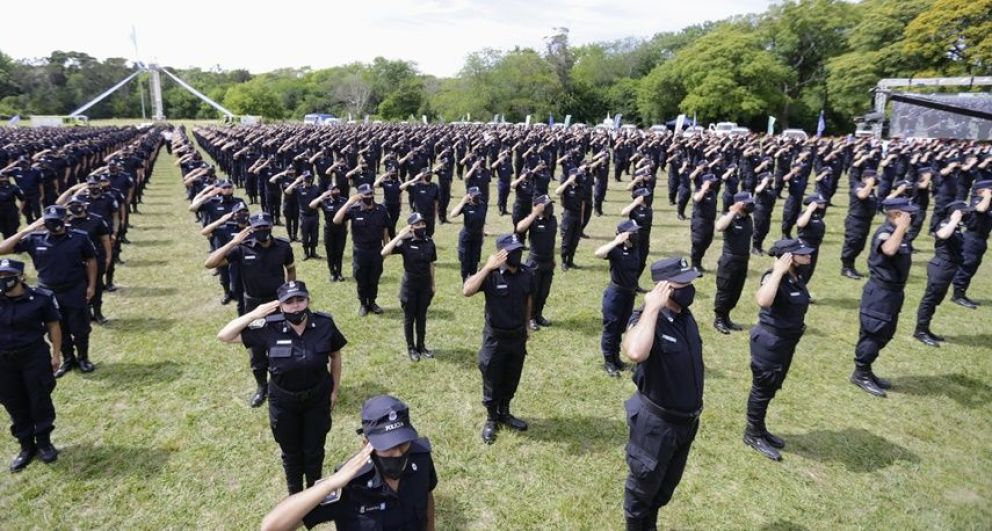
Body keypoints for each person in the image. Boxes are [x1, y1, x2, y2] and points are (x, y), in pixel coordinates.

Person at [217, 281, 346, 494]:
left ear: (308, 300)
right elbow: (224, 335)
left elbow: (335, 355)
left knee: (314, 450)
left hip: (317, 398)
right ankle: (294, 495)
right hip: (284, 402)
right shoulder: (269, 327)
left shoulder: (324, 324)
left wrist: (334, 390)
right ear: (280, 305)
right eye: (289, 302)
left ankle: (315, 493)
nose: (295, 306)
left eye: (300, 300)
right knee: (291, 452)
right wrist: (254, 314)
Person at [260, 395, 437, 531]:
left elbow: (427, 495)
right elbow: (271, 526)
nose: (398, 453)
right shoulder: (350, 486)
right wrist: (331, 483)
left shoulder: (420, 457)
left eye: (403, 443)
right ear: (367, 443)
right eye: (388, 447)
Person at [620, 257, 703, 531]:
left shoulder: (684, 316)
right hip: (657, 426)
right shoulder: (645, 320)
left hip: (685, 424)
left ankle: (649, 525)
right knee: (641, 489)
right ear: (663, 287)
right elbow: (634, 352)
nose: (689, 287)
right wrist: (651, 309)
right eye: (684, 283)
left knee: (663, 488)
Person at [205, 212, 296, 407]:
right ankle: (262, 387)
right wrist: (233, 243)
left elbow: (290, 268)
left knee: (282, 344)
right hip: (254, 306)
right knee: (256, 350)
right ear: (251, 229)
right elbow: (210, 263)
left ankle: (281, 384)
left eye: (265, 227)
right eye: (258, 228)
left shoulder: (283, 246)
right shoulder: (242, 248)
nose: (262, 231)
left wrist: (291, 294)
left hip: (278, 303)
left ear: (271, 226)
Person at [0, 205, 97, 377]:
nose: (54, 225)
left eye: (57, 221)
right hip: (48, 292)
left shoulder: (79, 237)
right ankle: (68, 359)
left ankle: (83, 358)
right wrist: (28, 229)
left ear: (66, 220)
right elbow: (2, 249)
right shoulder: (35, 239)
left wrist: (91, 286)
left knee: (80, 327)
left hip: (74, 289)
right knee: (57, 328)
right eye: (50, 221)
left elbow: (91, 260)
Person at [744, 239, 813, 461]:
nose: (808, 255)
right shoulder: (773, 276)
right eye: (802, 254)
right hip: (770, 342)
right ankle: (752, 434)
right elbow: (763, 300)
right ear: (788, 257)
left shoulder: (796, 275)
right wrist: (777, 271)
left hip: (786, 341)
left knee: (772, 386)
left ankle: (760, 428)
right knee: (762, 387)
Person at [463, 233, 533, 444]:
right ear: (501, 254)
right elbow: (467, 290)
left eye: (519, 250)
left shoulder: (526, 274)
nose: (517, 254)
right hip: (496, 338)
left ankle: (505, 412)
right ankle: (492, 418)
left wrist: (528, 324)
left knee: (512, 376)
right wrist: (487, 267)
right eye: (512, 251)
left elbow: (528, 298)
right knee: (492, 378)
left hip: (517, 337)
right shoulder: (491, 275)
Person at [0, 258, 62, 472]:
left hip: (33, 356)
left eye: (7, 277)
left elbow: (53, 325)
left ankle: (44, 442)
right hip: (4, 361)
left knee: (39, 399)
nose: (2, 281)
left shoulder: (40, 298)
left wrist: (56, 354)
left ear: (21, 277)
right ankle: (26, 447)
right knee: (14, 403)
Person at [851, 197, 916, 397]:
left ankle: (866, 369)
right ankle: (860, 372)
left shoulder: (899, 233)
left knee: (885, 332)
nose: (910, 217)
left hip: (893, 293)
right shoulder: (886, 232)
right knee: (874, 331)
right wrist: (901, 228)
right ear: (896, 215)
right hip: (880, 293)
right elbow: (888, 249)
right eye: (907, 214)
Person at [382, 213, 437, 361]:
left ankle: (421, 346)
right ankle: (411, 348)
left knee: (421, 317)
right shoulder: (405, 243)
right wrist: (399, 236)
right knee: (409, 318)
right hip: (410, 287)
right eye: (418, 224)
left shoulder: (430, 242)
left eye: (423, 224)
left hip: (424, 286)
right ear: (411, 227)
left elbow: (431, 264)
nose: (421, 227)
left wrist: (433, 284)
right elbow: (384, 252)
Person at [913, 201, 968, 346]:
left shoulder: (956, 227)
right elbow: (942, 235)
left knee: (935, 300)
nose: (966, 214)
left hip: (949, 267)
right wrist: (954, 220)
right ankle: (920, 331)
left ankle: (925, 328)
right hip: (941, 266)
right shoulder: (945, 224)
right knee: (930, 300)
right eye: (963, 212)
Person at [333, 184, 389, 316]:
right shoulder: (354, 209)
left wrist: (386, 246)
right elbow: (336, 220)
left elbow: (385, 229)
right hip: (361, 251)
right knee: (361, 278)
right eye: (365, 194)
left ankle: (373, 302)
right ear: (359, 196)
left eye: (371, 194)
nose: (369, 196)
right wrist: (349, 202)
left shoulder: (381, 209)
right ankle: (363, 304)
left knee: (374, 278)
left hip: (376, 250)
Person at [595, 220, 642, 377]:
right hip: (616, 295)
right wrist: (616, 241)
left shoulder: (635, 248)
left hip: (629, 294)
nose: (636, 235)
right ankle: (608, 361)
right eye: (632, 232)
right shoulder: (615, 250)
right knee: (611, 328)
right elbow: (598, 253)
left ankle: (616, 358)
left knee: (621, 328)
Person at [712, 192, 755, 334]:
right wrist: (732, 211)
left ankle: (727, 317)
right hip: (729, 261)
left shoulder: (748, 219)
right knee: (725, 290)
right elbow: (719, 226)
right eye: (747, 202)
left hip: (743, 260)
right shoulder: (730, 217)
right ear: (739, 204)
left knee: (736, 291)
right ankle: (719, 319)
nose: (751, 204)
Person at [515, 194, 557, 331]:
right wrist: (534, 214)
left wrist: (553, 258)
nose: (551, 207)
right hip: (535, 261)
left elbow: (552, 241)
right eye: (547, 205)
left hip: (548, 261)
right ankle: (530, 318)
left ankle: (538, 314)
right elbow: (519, 228)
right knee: (533, 292)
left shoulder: (553, 220)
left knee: (544, 291)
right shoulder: (533, 221)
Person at [951, 180, 992, 308]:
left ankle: (962, 293)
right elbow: (980, 209)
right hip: (972, 238)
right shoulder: (978, 201)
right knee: (967, 265)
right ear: (982, 191)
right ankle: (957, 295)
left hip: (981, 239)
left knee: (973, 265)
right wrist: (987, 196)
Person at [840, 169, 878, 280]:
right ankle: (846, 268)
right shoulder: (858, 186)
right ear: (865, 178)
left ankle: (851, 266)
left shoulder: (870, 190)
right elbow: (862, 195)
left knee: (860, 245)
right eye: (872, 178)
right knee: (852, 243)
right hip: (855, 221)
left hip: (866, 221)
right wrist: (869, 184)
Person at [310, 184, 349, 282]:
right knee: (330, 252)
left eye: (337, 189)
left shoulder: (343, 201)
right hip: (329, 230)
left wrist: (347, 228)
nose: (336, 191)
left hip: (341, 229)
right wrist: (322, 196)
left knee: (339, 252)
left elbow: (347, 215)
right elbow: (311, 205)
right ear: (329, 191)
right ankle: (332, 272)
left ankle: (339, 273)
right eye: (333, 190)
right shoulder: (324, 201)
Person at [450, 187, 487, 282]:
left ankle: (473, 281)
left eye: (478, 195)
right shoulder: (466, 206)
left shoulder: (483, 205)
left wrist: (482, 235)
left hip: (477, 237)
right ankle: (465, 281)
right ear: (469, 196)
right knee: (465, 260)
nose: (477, 197)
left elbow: (482, 222)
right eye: (475, 195)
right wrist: (462, 202)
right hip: (466, 237)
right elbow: (452, 214)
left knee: (474, 260)